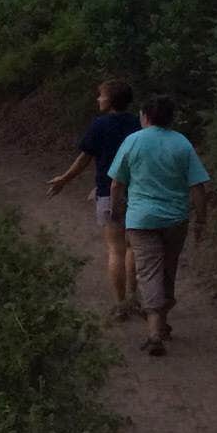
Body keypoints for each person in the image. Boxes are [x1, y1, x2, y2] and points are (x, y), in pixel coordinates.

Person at [108, 93, 210, 358]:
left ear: (145, 116)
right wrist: (201, 219)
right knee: (167, 270)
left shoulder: (133, 141)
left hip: (141, 220)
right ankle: (161, 323)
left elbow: (117, 183)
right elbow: (197, 186)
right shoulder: (182, 143)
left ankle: (154, 332)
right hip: (175, 219)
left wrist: (116, 211)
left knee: (148, 272)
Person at [48, 78, 141, 320]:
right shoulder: (137, 123)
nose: (98, 99)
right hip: (138, 192)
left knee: (115, 249)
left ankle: (120, 305)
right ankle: (135, 297)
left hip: (108, 192)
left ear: (110, 100)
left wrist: (64, 179)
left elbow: (84, 159)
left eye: (101, 95)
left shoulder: (100, 125)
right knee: (132, 248)